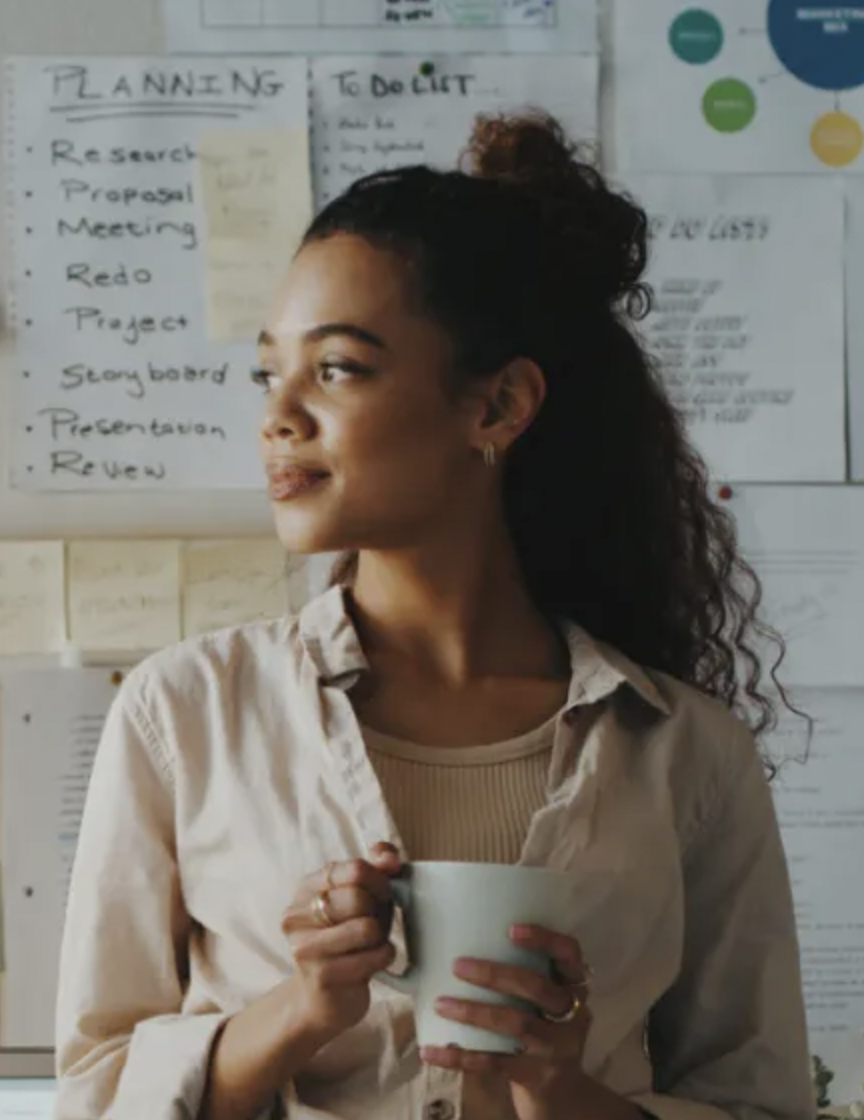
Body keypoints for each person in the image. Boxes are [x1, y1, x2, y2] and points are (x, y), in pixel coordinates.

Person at [55, 112, 814, 1120]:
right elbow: (94, 1097)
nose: (278, 412)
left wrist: (565, 1093)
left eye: (338, 368)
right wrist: (301, 1008)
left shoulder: (687, 751)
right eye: (267, 370)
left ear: (498, 408)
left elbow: (760, 1101)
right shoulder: (182, 711)